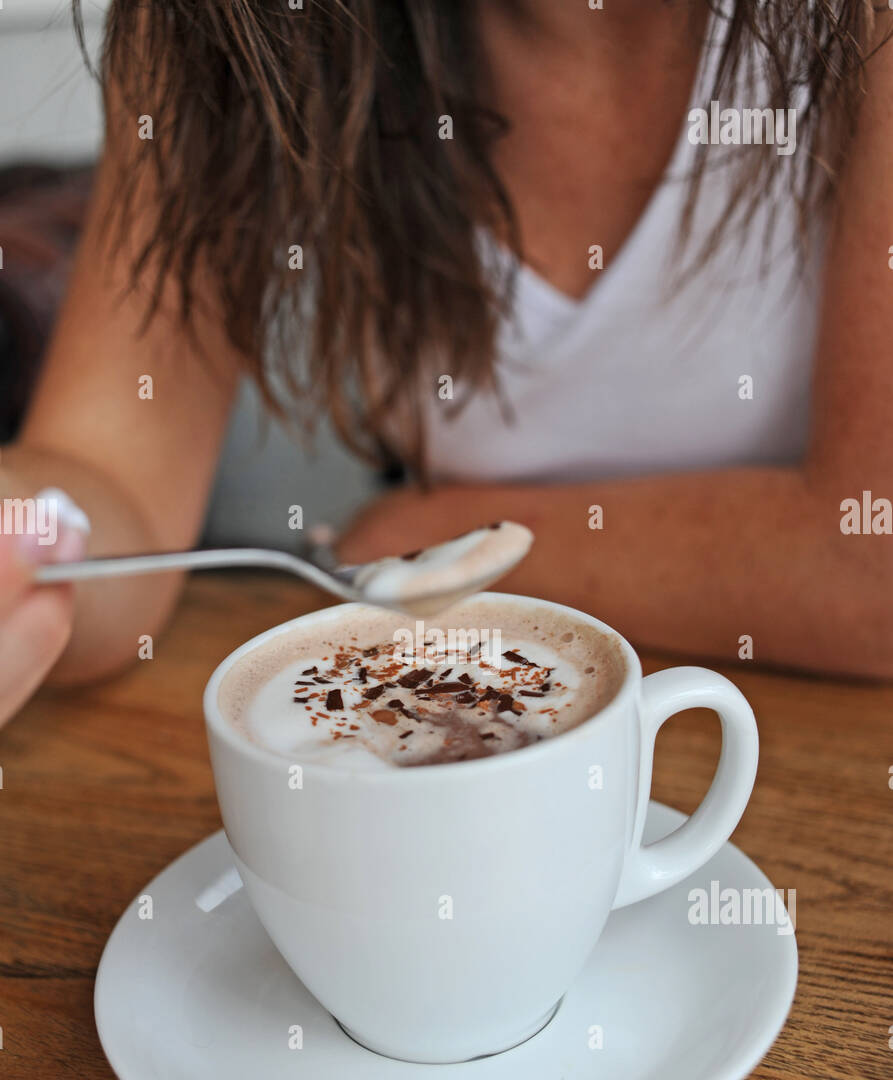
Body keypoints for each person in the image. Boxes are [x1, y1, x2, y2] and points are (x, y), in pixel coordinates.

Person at [1, 0, 891, 731]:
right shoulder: (224, 27)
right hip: (471, 736)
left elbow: (871, 568)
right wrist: (20, 544)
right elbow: (101, 492)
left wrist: (401, 541)